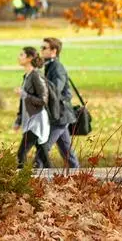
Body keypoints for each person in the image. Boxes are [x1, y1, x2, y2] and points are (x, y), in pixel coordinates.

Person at [40, 37, 80, 168]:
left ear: (54, 51)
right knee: (67, 152)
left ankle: (36, 178)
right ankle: (79, 175)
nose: (41, 50)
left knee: (43, 149)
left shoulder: (57, 67)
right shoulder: (50, 65)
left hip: (61, 115)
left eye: (44, 48)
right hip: (57, 114)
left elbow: (56, 89)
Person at [13, 46, 51, 169]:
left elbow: (43, 100)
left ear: (29, 58)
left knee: (21, 154)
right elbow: (22, 102)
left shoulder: (36, 76)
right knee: (44, 156)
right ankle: (58, 180)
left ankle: (20, 183)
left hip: (37, 120)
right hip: (29, 119)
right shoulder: (27, 76)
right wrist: (18, 120)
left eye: (21, 55)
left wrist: (25, 94)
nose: (19, 57)